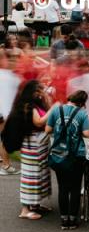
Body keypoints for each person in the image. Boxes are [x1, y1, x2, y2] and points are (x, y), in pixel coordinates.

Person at [9, 80, 58, 220]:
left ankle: (35, 204)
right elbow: (38, 121)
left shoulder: (37, 103)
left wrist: (47, 98)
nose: (40, 93)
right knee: (31, 176)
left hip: (40, 144)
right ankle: (25, 209)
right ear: (30, 92)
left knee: (41, 175)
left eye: (41, 90)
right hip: (32, 145)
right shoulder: (27, 106)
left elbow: (48, 111)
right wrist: (53, 108)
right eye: (37, 91)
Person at [45, 90, 89, 230]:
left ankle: (64, 220)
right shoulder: (82, 113)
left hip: (59, 155)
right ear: (82, 102)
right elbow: (87, 134)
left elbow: (47, 130)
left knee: (63, 188)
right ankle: (73, 219)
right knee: (76, 188)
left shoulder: (56, 110)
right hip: (77, 156)